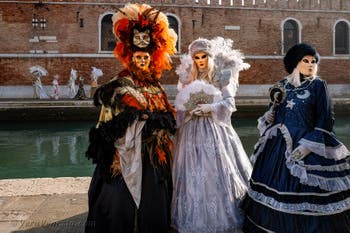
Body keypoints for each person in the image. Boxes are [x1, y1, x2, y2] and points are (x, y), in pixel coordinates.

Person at [85, 3, 177, 233]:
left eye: (146, 56)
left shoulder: (155, 85)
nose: (142, 60)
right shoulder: (120, 84)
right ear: (129, 57)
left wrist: (161, 120)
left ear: (152, 57)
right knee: (121, 203)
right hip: (127, 154)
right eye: (138, 56)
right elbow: (110, 123)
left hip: (155, 155)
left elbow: (167, 115)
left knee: (156, 199)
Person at [242, 43, 350, 233]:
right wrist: (269, 117)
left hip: (306, 144)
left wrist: (308, 147)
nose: (310, 65)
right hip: (278, 146)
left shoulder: (318, 85)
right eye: (305, 61)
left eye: (313, 61)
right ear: (295, 63)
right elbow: (274, 111)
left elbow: (325, 119)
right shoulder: (282, 86)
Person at [171, 37, 252, 233]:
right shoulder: (185, 78)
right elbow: (180, 104)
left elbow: (229, 103)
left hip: (215, 129)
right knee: (191, 172)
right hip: (191, 131)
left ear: (210, 56)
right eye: (196, 57)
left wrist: (210, 107)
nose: (200, 61)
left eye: (204, 56)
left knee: (214, 170)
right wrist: (189, 111)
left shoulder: (222, 75)